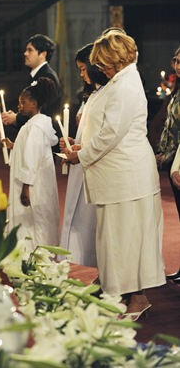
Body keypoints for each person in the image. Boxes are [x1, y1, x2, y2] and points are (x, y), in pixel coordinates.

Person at [64, 32, 166, 320]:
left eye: (104, 63)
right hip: (117, 175)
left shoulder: (126, 86)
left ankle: (138, 298)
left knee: (130, 240)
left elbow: (111, 134)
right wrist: (82, 145)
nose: (101, 69)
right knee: (116, 240)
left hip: (128, 176)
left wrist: (81, 155)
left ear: (116, 60)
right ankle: (117, 291)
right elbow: (107, 130)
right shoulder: (120, 81)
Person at [58, 43, 108, 266]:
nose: (80, 73)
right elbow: (86, 131)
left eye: (82, 68)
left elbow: (106, 133)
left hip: (96, 164)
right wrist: (73, 142)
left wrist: (81, 148)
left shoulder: (106, 93)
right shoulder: (93, 93)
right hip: (84, 159)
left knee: (91, 222)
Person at [2, 77, 60, 247]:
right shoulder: (33, 125)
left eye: (22, 102)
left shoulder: (35, 127)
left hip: (32, 184)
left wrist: (26, 187)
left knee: (34, 220)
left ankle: (36, 254)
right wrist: (13, 145)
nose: (19, 106)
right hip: (34, 181)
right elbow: (28, 149)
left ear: (33, 104)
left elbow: (32, 157)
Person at [1, 34, 61, 138]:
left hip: (42, 137)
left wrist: (16, 118)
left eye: (30, 50)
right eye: (26, 50)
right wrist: (18, 115)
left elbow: (44, 110)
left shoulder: (47, 76)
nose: (25, 53)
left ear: (42, 54)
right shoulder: (35, 75)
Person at [157, 47, 180, 282]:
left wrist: (166, 157)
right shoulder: (176, 92)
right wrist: (162, 153)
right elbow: (168, 129)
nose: (179, 66)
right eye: (177, 61)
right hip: (173, 161)